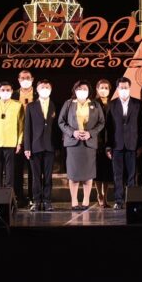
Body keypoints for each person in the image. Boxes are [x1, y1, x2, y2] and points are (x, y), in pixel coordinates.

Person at [58, 80, 105, 210]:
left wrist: (90, 133)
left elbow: (101, 122)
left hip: (89, 144)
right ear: (75, 90)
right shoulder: (68, 104)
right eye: (79, 89)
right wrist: (72, 132)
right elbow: (61, 122)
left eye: (84, 89)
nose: (82, 91)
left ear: (89, 91)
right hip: (73, 144)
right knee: (73, 174)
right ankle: (74, 201)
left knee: (88, 174)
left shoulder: (95, 104)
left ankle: (86, 201)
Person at [105, 77, 142, 209]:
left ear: (130, 88)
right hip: (117, 145)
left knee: (132, 175)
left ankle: (131, 201)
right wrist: (108, 146)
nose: (124, 90)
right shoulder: (111, 104)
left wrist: (140, 145)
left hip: (133, 145)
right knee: (118, 175)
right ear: (117, 89)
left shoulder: (138, 104)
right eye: (121, 88)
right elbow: (108, 127)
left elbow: (141, 125)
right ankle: (119, 200)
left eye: (126, 87)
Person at [0, 82, 24, 195]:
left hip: (11, 143)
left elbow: (21, 125)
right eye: (3, 90)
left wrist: (19, 142)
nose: (5, 92)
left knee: (10, 172)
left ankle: (9, 196)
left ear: (12, 91)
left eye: (8, 90)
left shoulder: (18, 105)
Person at [24, 79, 57, 212]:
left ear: (51, 89)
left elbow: (57, 128)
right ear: (37, 90)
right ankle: (36, 201)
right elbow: (27, 128)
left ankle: (47, 201)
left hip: (50, 146)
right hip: (35, 146)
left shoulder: (55, 104)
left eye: (47, 87)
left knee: (48, 176)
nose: (45, 89)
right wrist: (27, 147)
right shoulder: (31, 106)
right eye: (42, 87)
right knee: (36, 176)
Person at [13, 70, 36, 208]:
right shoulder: (13, 95)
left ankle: (33, 196)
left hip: (34, 135)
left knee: (33, 168)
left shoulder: (39, 94)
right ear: (18, 79)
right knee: (17, 168)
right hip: (17, 135)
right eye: (22, 78)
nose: (25, 80)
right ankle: (18, 197)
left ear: (32, 79)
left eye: (28, 77)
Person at [94, 79, 113, 208]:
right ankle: (99, 194)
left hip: (109, 141)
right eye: (101, 87)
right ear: (97, 89)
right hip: (96, 141)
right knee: (97, 171)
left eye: (106, 87)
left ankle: (105, 196)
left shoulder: (112, 103)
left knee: (107, 171)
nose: (104, 90)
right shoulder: (93, 103)